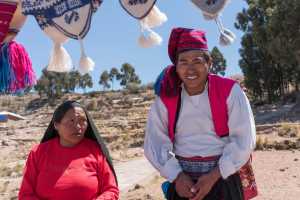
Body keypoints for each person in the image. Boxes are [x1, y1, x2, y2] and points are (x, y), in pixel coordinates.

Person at [144, 27, 257, 200]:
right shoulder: (166, 100)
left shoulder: (230, 91)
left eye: (197, 61)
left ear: (208, 63)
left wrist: (214, 176)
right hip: (183, 183)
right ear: (176, 66)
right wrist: (178, 177)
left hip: (223, 177)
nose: (190, 69)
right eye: (183, 62)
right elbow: (155, 143)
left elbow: (244, 140)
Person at [19, 101, 119, 200]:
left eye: (82, 120)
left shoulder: (95, 151)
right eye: (71, 121)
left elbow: (111, 190)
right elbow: (25, 195)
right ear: (56, 125)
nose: (78, 126)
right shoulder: (38, 153)